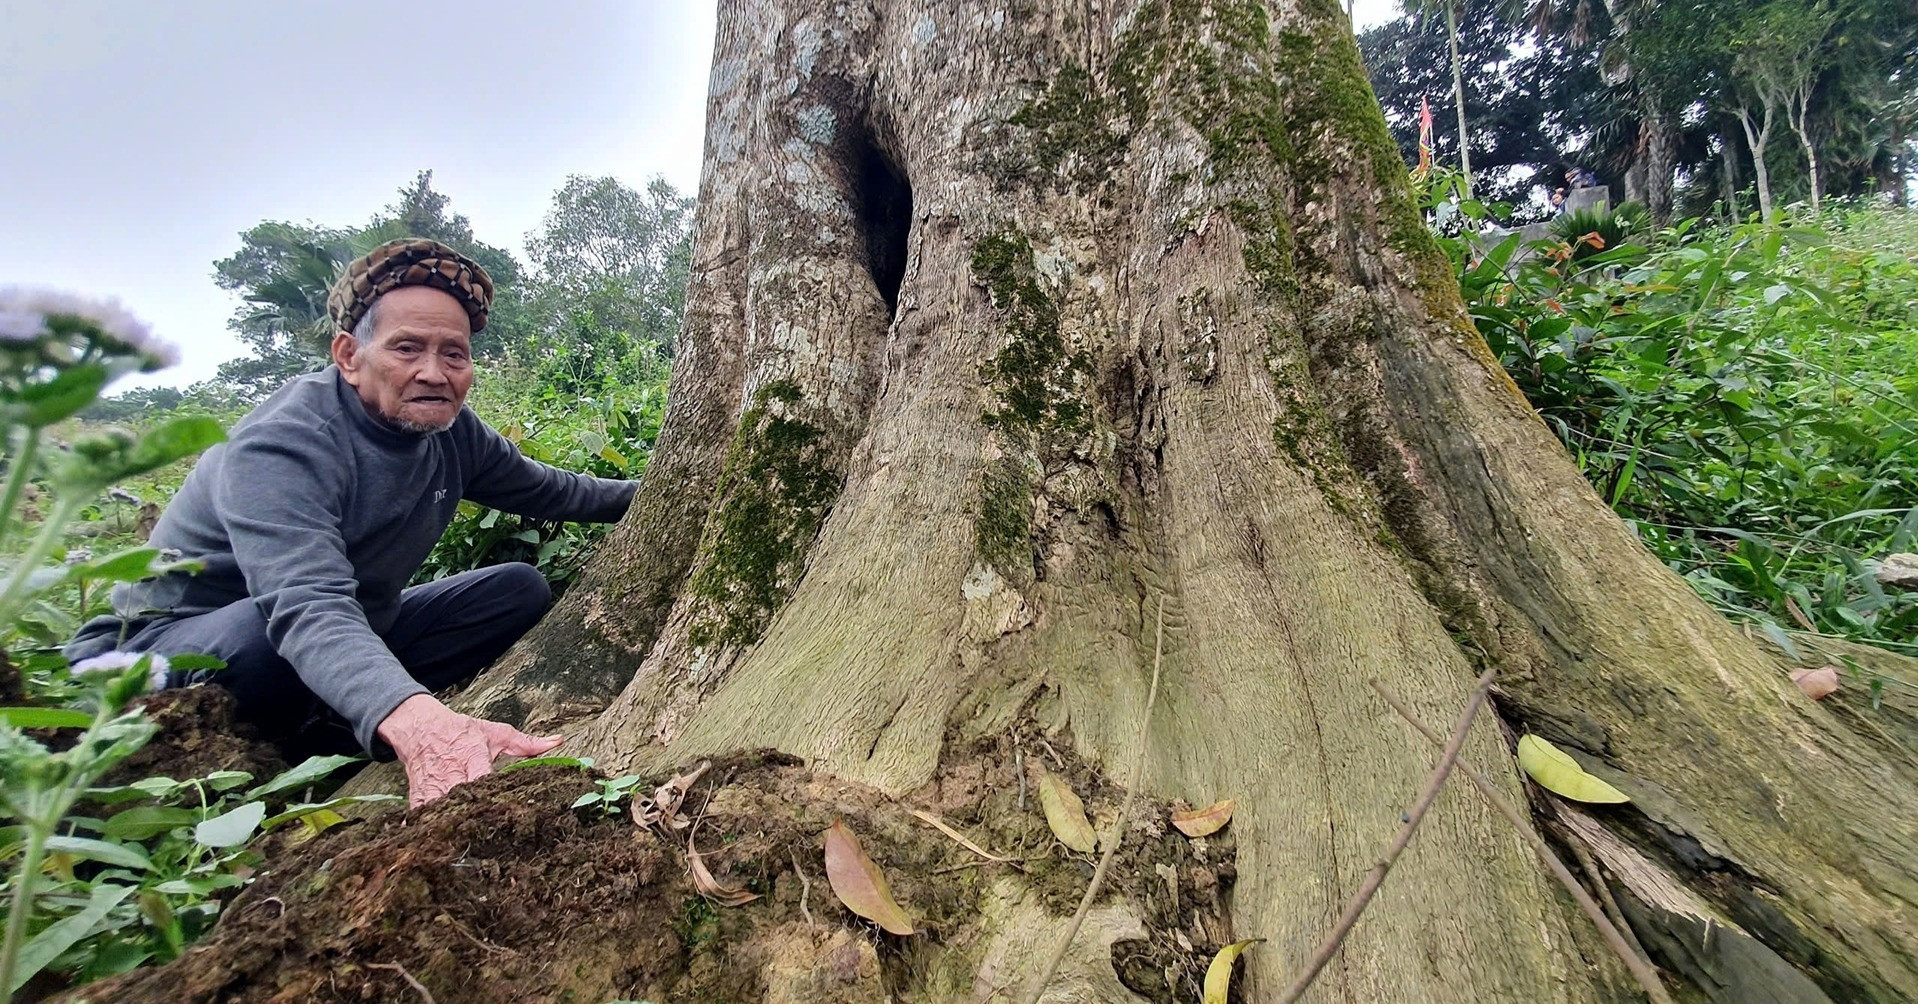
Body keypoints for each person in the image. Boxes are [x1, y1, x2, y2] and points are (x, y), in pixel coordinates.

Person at [66, 239, 638, 806]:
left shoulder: (453, 433)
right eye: (407, 348)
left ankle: (331, 727)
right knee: (262, 638)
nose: (433, 373)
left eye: (454, 355)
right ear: (348, 355)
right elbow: (306, 605)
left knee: (515, 589)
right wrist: (420, 724)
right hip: (169, 651)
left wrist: (698, 483)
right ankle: (308, 737)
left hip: (339, 628)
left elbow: (562, 493)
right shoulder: (282, 446)